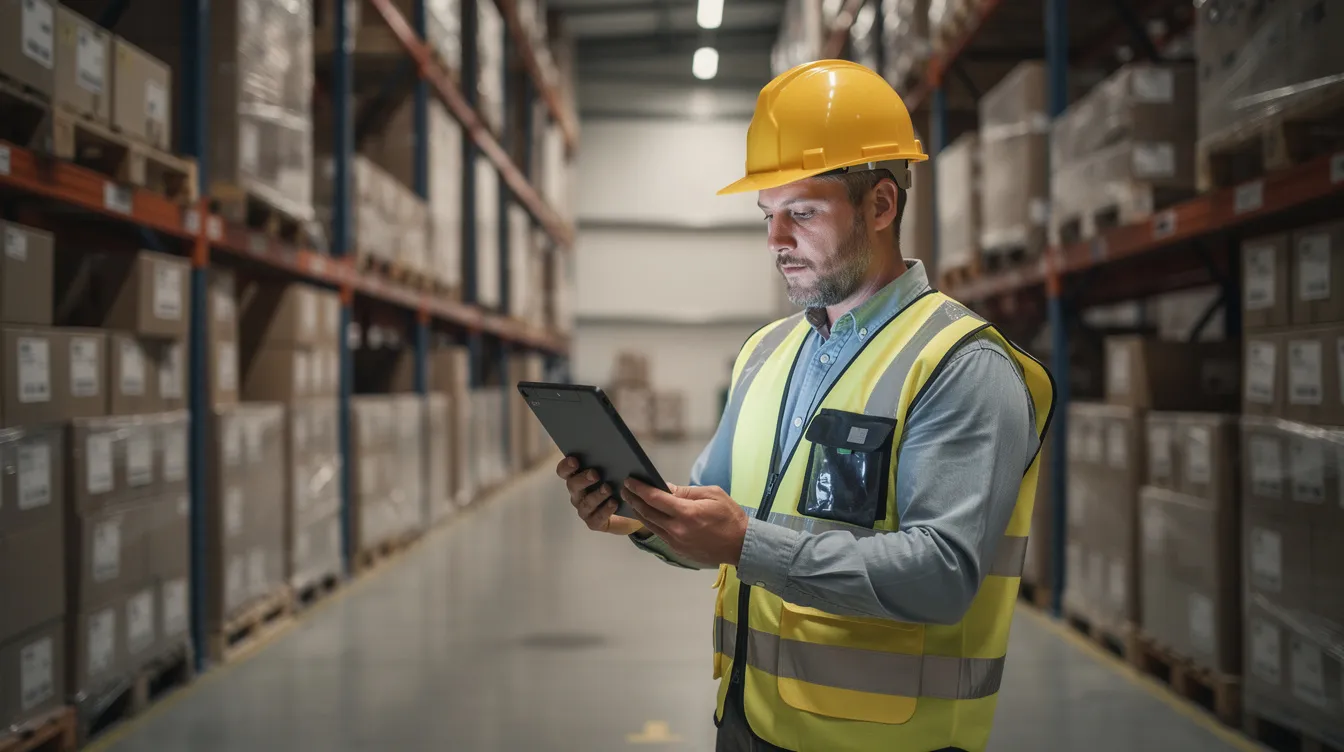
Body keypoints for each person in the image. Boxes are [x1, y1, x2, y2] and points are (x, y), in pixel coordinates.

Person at [556, 59, 1055, 752]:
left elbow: (942, 576)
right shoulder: (767, 353)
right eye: (768, 216)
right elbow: (717, 510)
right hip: (750, 718)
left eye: (803, 212)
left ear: (881, 206)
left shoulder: (960, 364)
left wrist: (743, 542)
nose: (775, 240)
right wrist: (638, 513)